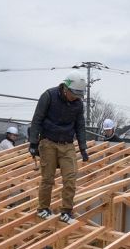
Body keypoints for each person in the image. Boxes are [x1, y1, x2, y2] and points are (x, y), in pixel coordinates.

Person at [28, 71, 89, 224]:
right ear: (65, 88)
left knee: (70, 178)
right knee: (48, 178)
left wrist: (83, 148)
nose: (75, 98)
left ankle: (66, 212)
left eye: (78, 95)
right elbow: (37, 120)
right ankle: (43, 209)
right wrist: (33, 143)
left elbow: (80, 126)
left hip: (67, 144)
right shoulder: (49, 96)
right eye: (74, 94)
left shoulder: (78, 104)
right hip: (48, 142)